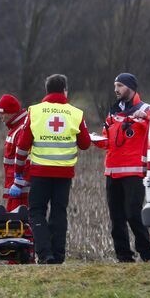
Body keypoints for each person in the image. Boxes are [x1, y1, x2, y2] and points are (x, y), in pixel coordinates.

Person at [14, 74, 91, 264]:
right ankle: (59, 255)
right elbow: (85, 144)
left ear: (46, 90)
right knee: (59, 212)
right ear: (65, 90)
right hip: (64, 174)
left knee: (37, 212)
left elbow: (23, 145)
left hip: (40, 173)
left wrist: (18, 171)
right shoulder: (76, 113)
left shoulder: (35, 111)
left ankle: (45, 254)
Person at [93, 73, 150, 262]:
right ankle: (123, 256)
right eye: (115, 86)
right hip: (112, 170)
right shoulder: (113, 112)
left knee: (133, 214)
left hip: (134, 171)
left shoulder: (147, 110)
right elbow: (107, 141)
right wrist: (96, 140)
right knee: (116, 217)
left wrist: (144, 118)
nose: (116, 90)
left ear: (131, 87)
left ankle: (147, 254)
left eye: (120, 85)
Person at [0, 94, 29, 211]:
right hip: (16, 190)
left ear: (12, 112)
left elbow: (27, 160)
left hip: (23, 192)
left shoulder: (21, 130)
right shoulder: (15, 129)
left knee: (21, 226)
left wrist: (19, 184)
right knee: (13, 225)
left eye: (2, 113)